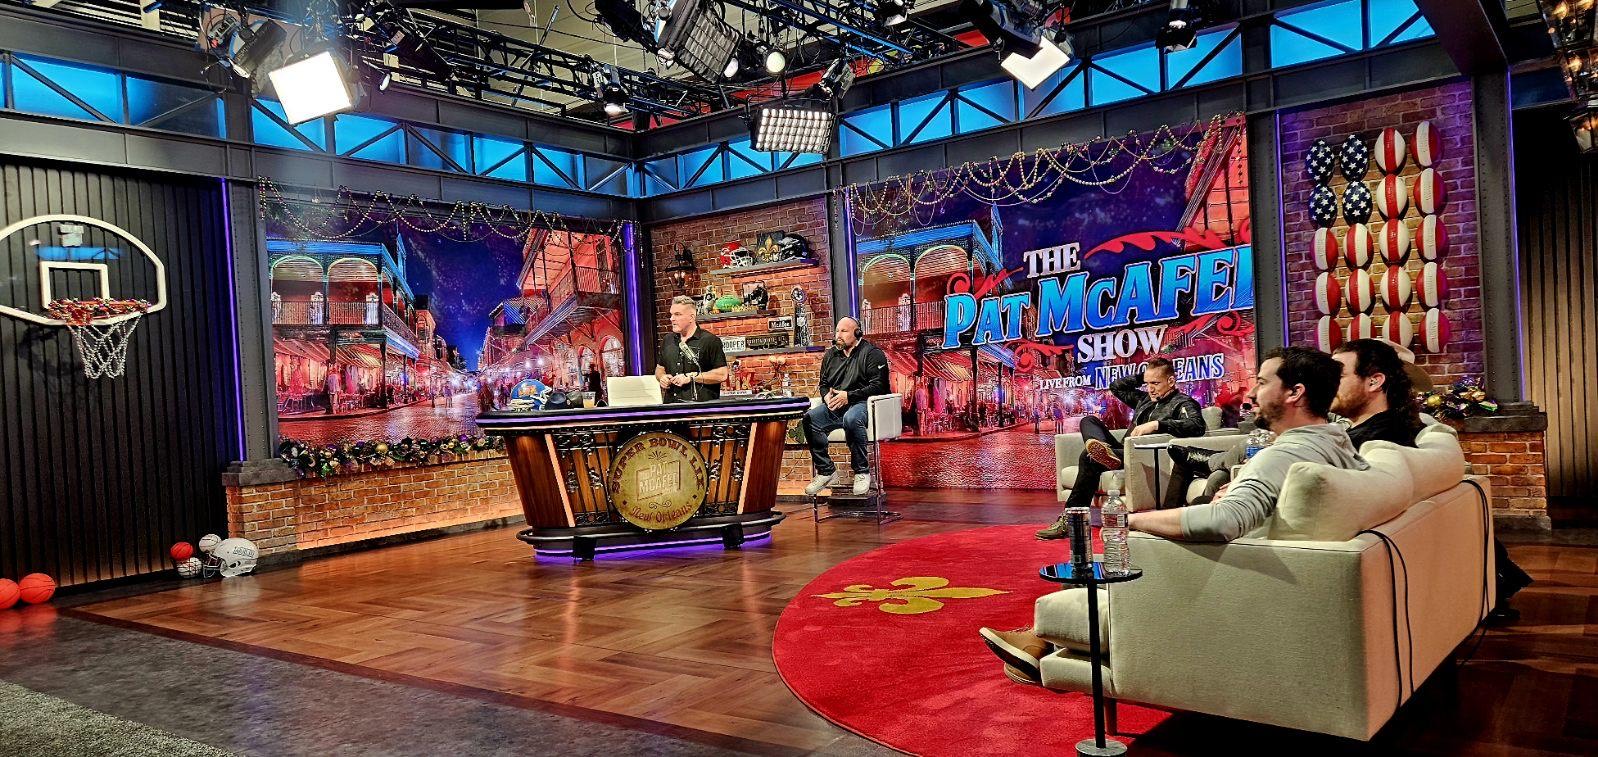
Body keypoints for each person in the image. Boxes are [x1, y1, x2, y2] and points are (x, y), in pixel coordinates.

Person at [981, 347, 1372, 683]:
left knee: (1112, 555)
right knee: (1092, 454)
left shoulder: (1280, 453)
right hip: (1268, 566)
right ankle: (1042, 641)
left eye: (1262, 382)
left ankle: (1040, 642)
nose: (1252, 392)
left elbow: (1223, 521)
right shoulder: (1338, 442)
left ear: (1294, 393)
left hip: (1231, 574)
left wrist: (1132, 521)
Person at [1037, 357, 1206, 539]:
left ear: (1171, 381)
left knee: (1088, 457)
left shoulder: (1183, 403)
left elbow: (1197, 426)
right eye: (1148, 383)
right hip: (1121, 450)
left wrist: (1157, 424)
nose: (1150, 388)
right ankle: (1103, 452)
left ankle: (1071, 521)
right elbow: (1116, 386)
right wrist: (1145, 376)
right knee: (1088, 420)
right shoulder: (1145, 400)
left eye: (1155, 383)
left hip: (1140, 455)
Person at [803, 317, 891, 497]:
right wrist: (826, 396)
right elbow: (824, 384)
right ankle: (826, 471)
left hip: (863, 403)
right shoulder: (831, 355)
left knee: (851, 419)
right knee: (810, 419)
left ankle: (861, 471)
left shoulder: (872, 354)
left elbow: (879, 387)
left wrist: (848, 396)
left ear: (857, 333)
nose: (838, 335)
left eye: (844, 331)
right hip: (837, 403)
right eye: (837, 331)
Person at [655, 295, 729, 403]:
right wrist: (662, 377)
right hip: (671, 407)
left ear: (691, 317)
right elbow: (659, 369)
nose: (672, 319)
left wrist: (691, 377)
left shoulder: (710, 341)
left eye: (677, 314)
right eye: (671, 314)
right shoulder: (667, 340)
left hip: (700, 408)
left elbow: (722, 375)